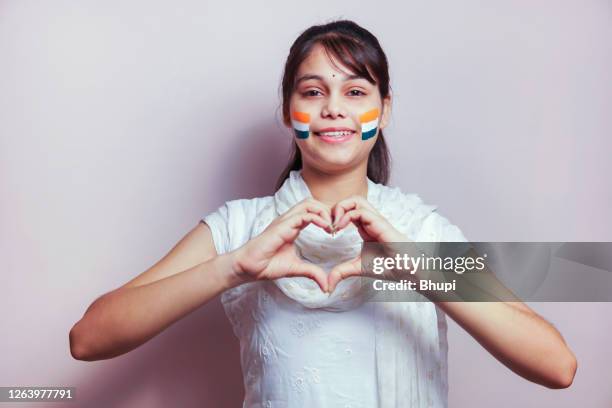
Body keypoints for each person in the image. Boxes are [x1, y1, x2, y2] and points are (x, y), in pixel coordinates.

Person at [69, 19, 577, 407]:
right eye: (313, 92)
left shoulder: (421, 230)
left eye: (356, 92)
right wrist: (233, 267)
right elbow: (88, 339)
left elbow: (557, 365)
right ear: (289, 108)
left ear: (386, 109)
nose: (334, 108)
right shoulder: (240, 228)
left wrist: (423, 270)